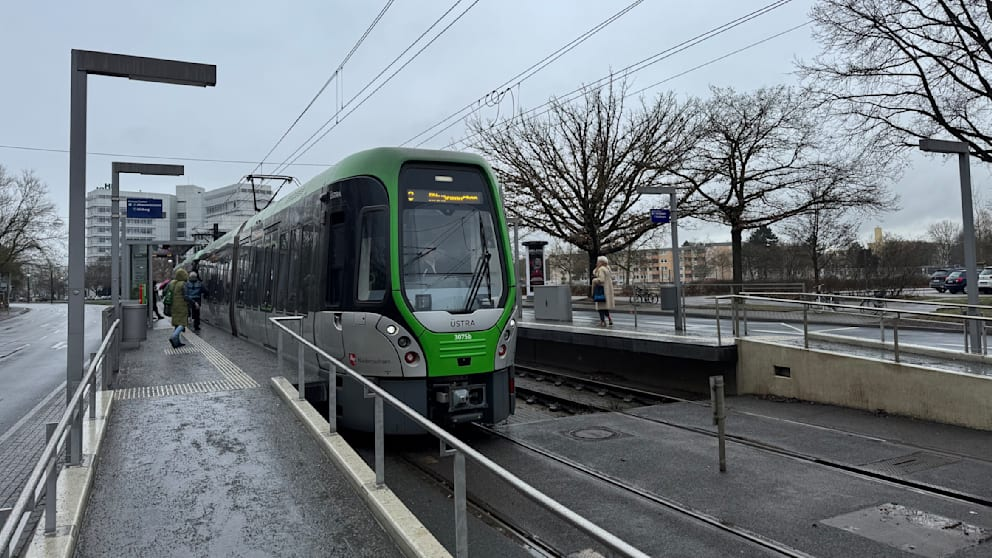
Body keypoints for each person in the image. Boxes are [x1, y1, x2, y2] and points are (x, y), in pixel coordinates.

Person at [592, 255, 615, 327]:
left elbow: (601, 280)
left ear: (601, 262)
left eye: (598, 262)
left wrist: (594, 280)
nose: (596, 263)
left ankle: (602, 322)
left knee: (600, 307)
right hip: (607, 291)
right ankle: (609, 319)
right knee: (604, 307)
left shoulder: (601, 269)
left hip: (601, 291)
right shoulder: (607, 269)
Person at [169, 269, 190, 348]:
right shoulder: (183, 284)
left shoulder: (173, 283)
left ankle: (177, 342)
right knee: (182, 323)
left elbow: (165, 291)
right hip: (182, 306)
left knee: (176, 323)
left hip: (174, 306)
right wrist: (193, 302)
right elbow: (186, 296)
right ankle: (174, 336)